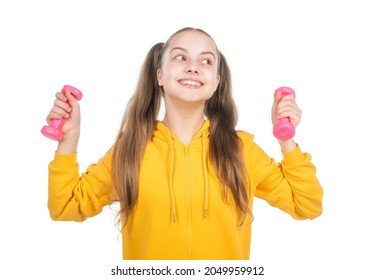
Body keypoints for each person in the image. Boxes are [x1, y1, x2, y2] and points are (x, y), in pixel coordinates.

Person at [46, 27, 323, 260]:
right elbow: (65, 206)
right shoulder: (131, 149)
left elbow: (307, 204)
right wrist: (69, 141)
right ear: (159, 75)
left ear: (215, 83)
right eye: (180, 57)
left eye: (206, 61)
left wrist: (286, 141)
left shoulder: (242, 149)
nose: (193, 67)